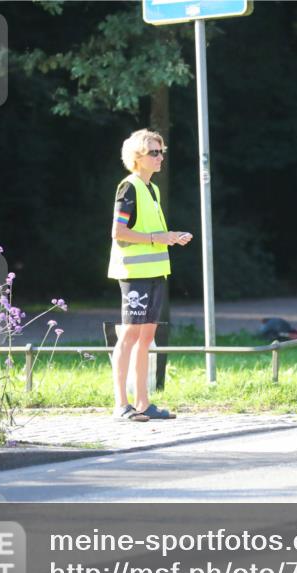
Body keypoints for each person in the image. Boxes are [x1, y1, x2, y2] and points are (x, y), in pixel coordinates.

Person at [108, 129, 192, 421]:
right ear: (137, 157)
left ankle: (143, 403)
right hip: (134, 274)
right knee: (129, 336)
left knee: (146, 338)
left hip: (155, 273)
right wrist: (161, 237)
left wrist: (171, 237)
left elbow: (152, 233)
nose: (160, 158)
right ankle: (121, 403)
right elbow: (119, 233)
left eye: (161, 152)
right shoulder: (128, 187)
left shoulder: (152, 189)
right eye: (154, 153)